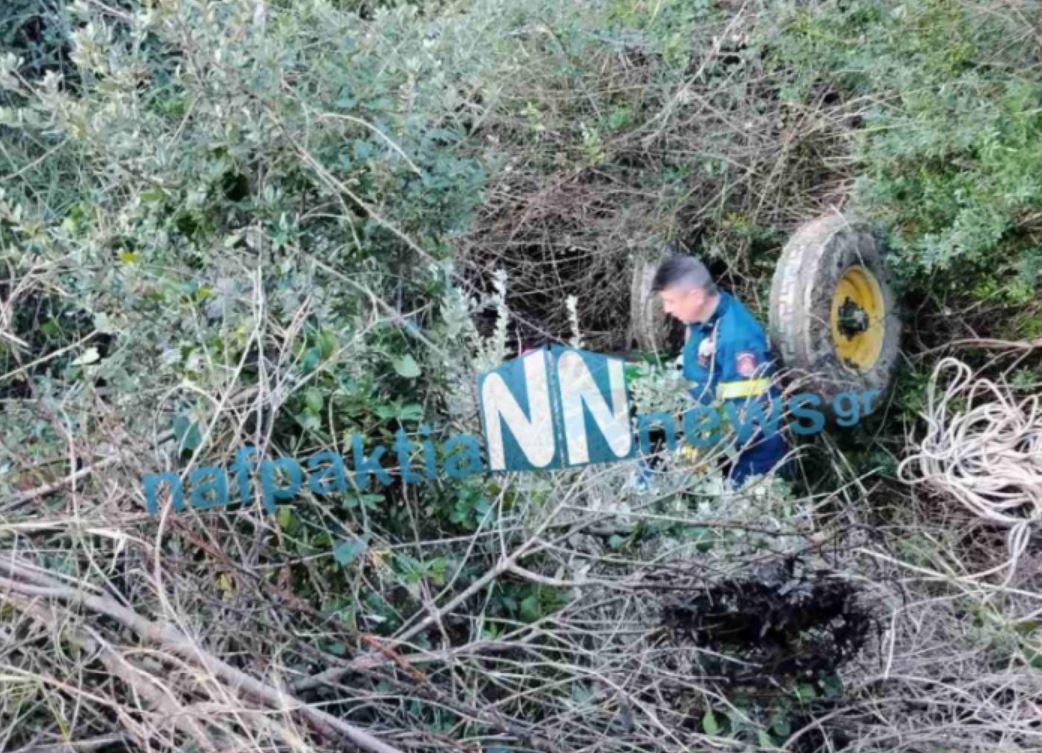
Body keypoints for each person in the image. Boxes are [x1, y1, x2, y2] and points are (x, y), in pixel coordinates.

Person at [651, 253, 789, 489]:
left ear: (695, 296)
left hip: (751, 458)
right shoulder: (699, 320)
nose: (666, 309)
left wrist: (696, 450)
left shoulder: (737, 339)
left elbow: (747, 416)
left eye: (670, 301)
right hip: (714, 438)